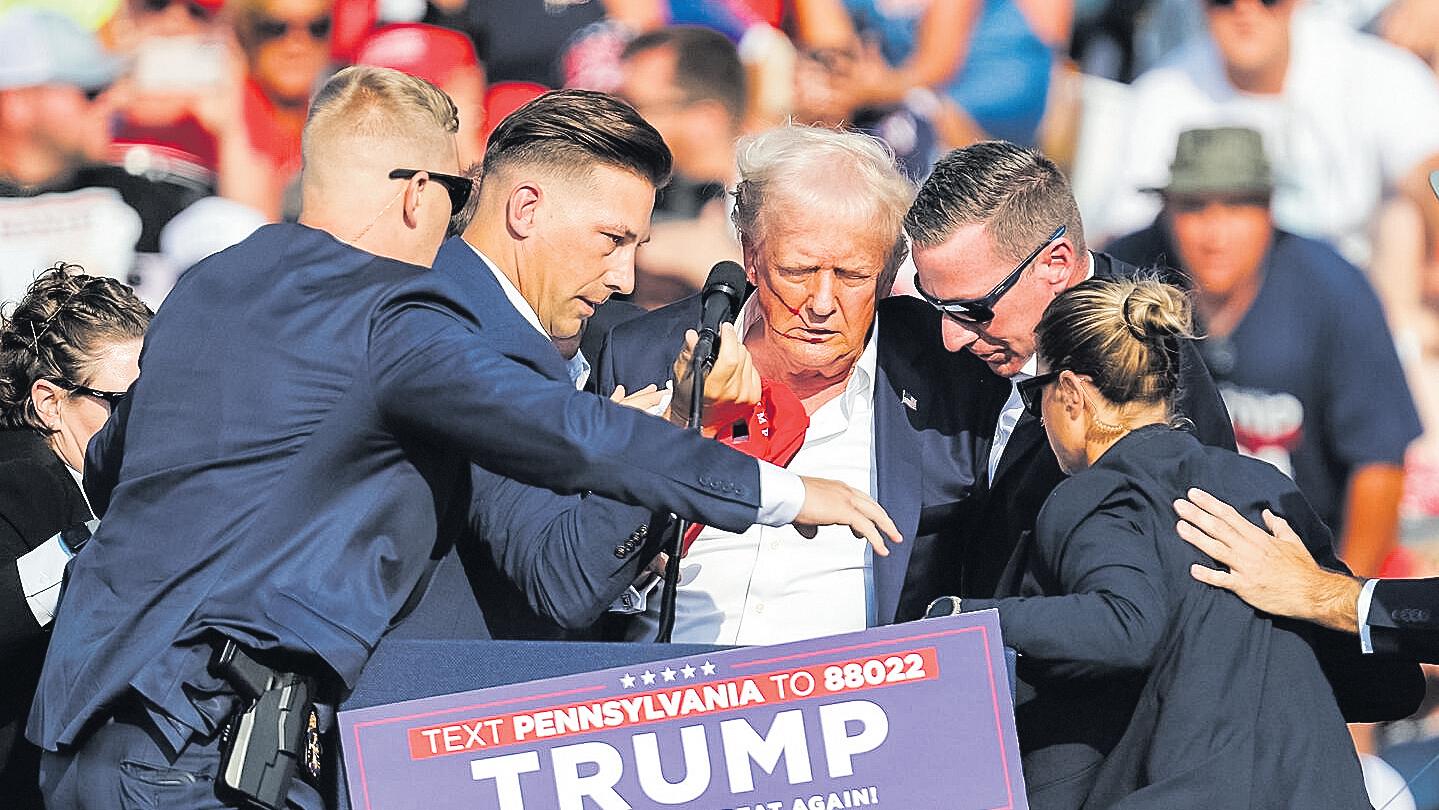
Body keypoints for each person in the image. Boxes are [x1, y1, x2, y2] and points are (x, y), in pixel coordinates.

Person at [28, 68, 896, 810]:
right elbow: (564, 541)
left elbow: (110, 464)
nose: (625, 274)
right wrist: (736, 466)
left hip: (93, 720)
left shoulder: (223, 276)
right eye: (611, 239)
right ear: (506, 205)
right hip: (220, 744)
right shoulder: (428, 320)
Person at [935, 276, 1422, 810]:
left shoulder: (1095, 495)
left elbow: (1125, 626)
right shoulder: (1262, 487)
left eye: (1037, 396)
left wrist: (966, 616)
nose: (1041, 414)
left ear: (1071, 394)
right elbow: (1390, 685)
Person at [594, 124, 1001, 643]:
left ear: (889, 271)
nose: (822, 303)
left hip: (853, 689)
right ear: (751, 255)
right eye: (798, 271)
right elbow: (576, 565)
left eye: (852, 276)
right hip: (665, 683)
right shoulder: (643, 354)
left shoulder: (949, 372)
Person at [904, 140, 1234, 604]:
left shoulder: (1148, 370)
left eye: (972, 310)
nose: (950, 337)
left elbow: (1172, 593)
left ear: (1056, 264)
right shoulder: (930, 334)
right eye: (933, 301)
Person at [1106, 127, 1422, 577]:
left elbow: (1379, 461)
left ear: (1270, 210)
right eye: (1194, 207)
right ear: (1166, 211)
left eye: (1238, 206)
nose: (1215, 233)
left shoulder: (1333, 289)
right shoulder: (1124, 278)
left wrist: (1336, 593)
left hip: (1309, 553)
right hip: (1165, 558)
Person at [1098, 0, 1439, 346]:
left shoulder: (1373, 71)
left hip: (1367, 299)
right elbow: (1125, 242)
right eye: (1223, 1)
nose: (1245, 10)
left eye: (1268, 0)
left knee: (1403, 213)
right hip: (1216, 311)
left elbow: (1431, 172)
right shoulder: (1160, 96)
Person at [0, 264, 150, 809]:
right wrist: (103, 536)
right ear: (49, 402)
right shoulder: (19, 480)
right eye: (122, 404)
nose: (144, 422)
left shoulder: (103, 478)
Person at [0, 8, 209, 303]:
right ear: (16, 104)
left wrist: (235, 128)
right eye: (92, 91)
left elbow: (245, 252)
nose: (113, 101)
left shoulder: (146, 193)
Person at [616, 26, 747, 307]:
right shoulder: (640, 191)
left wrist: (713, 262)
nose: (620, 121)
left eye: (637, 107)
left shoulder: (782, 196)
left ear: (706, 118)